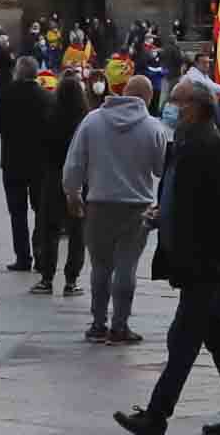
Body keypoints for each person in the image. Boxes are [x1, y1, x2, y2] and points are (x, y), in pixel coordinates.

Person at [119, 82, 220, 435]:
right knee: (219, 337)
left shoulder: (213, 148)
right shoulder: (183, 145)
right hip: (192, 260)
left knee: (182, 340)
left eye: (177, 103)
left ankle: (157, 416)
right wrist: (162, 214)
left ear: (197, 109)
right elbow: (181, 194)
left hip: (207, 263)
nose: (170, 108)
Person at [61, 70, 171, 346]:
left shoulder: (93, 120)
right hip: (137, 207)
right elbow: (162, 169)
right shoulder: (153, 127)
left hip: (98, 203)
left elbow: (74, 163)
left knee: (100, 266)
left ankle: (98, 324)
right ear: (148, 97)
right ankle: (120, 325)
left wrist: (72, 194)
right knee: (126, 267)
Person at [0, 56, 50, 270]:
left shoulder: (6, 94)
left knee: (18, 212)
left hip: (12, 162)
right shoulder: (46, 97)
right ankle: (42, 256)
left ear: (18, 72)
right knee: (41, 211)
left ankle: (23, 258)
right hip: (40, 165)